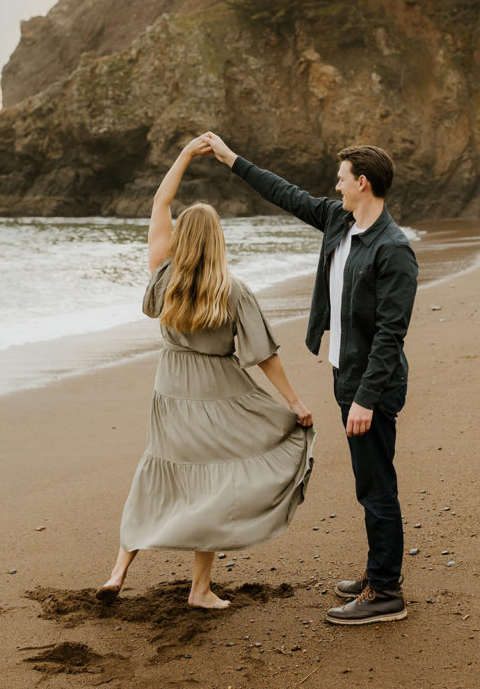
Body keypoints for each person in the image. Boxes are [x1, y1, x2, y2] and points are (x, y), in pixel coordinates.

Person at [204, 133, 417, 625]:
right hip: (347, 375)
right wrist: (231, 159)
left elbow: (391, 334)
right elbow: (286, 193)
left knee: (376, 485)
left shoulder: (394, 249)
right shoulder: (340, 223)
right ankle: (377, 573)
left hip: (372, 386)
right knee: (370, 480)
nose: (334, 186)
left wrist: (365, 399)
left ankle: (385, 593)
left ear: (362, 183)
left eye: (341, 179)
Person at [97, 137, 315, 609]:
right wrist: (294, 403)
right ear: (217, 239)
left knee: (158, 471)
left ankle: (118, 571)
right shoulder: (232, 290)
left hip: (170, 390)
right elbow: (263, 356)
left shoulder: (164, 274)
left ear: (181, 236)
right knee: (216, 483)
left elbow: (160, 201)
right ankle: (199, 589)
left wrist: (184, 157)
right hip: (218, 393)